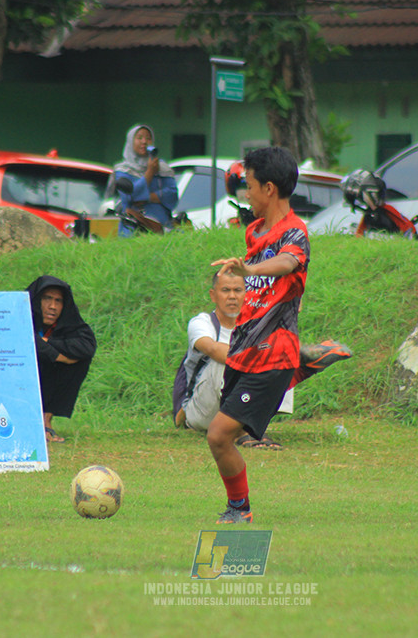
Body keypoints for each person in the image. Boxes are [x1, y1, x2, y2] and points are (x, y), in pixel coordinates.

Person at [206, 146, 311, 525]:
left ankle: (240, 510)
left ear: (269, 188)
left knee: (218, 435)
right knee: (221, 438)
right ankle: (307, 363)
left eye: (248, 186)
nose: (244, 193)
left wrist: (249, 269)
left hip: (273, 355)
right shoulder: (253, 230)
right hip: (245, 352)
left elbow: (287, 262)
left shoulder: (296, 232)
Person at [175, 270, 301, 449]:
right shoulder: (202, 322)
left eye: (238, 290)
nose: (232, 296)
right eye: (226, 290)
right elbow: (211, 348)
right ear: (213, 295)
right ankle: (242, 431)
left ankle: (249, 426)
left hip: (240, 404)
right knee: (226, 360)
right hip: (204, 410)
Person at [27, 276, 97, 443]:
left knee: (79, 359)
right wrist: (58, 356)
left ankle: (45, 419)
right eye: (47, 299)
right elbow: (25, 339)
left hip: (49, 378)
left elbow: (87, 345)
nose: (53, 307)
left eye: (58, 301)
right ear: (35, 300)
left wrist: (48, 343)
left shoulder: (67, 323)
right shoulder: (19, 317)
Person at [113, 124, 178, 236]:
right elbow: (129, 197)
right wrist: (149, 173)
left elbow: (172, 195)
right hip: (132, 229)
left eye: (148, 138)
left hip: (161, 228)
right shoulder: (123, 170)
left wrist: (148, 197)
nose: (144, 142)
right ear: (130, 141)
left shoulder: (162, 167)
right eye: (139, 138)